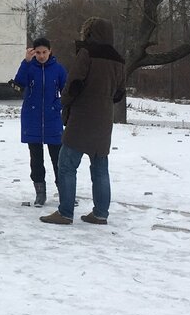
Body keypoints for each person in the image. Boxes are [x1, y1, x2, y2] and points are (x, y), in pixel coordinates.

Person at [40, 17, 126, 226]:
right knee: (100, 167)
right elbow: (119, 94)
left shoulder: (86, 54)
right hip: (104, 119)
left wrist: (65, 103)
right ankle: (100, 213)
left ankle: (65, 212)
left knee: (67, 165)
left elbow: (74, 84)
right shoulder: (118, 60)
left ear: (88, 33)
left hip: (82, 118)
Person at [13, 37, 67, 208]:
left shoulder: (58, 69)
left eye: (44, 52)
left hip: (52, 120)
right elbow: (19, 83)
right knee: (36, 159)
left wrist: (56, 105)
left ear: (50, 51)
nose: (42, 56)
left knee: (58, 159)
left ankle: (65, 192)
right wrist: (26, 62)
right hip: (32, 118)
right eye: (38, 52)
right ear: (33, 52)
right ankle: (40, 193)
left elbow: (67, 91)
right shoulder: (29, 67)